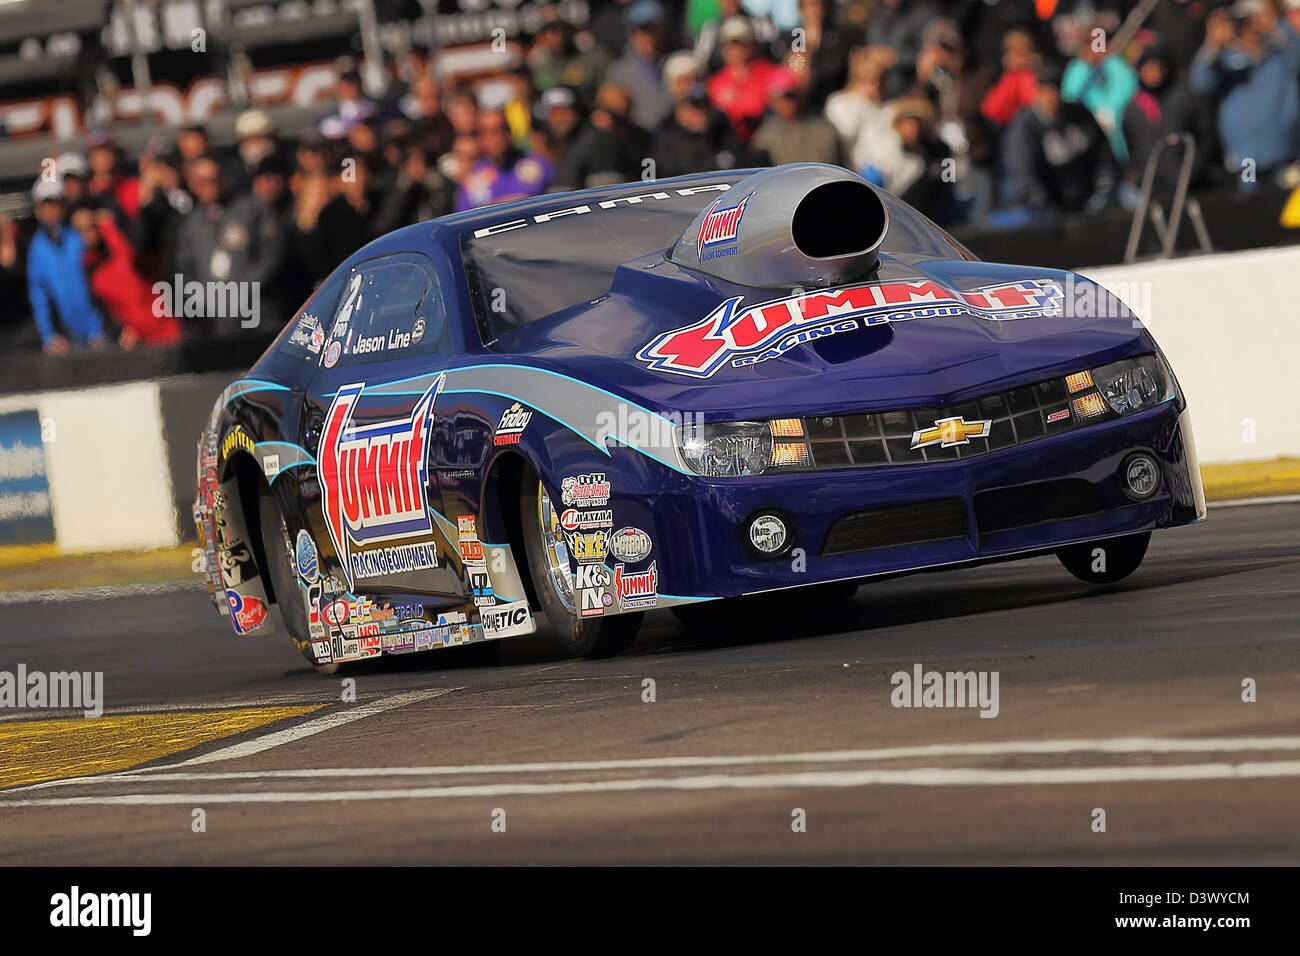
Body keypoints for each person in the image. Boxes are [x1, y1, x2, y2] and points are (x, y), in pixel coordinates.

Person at [174, 155, 287, 337]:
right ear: (193, 185)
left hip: (260, 315)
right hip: (219, 323)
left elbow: (271, 253)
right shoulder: (190, 225)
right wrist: (206, 302)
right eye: (205, 181)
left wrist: (244, 290)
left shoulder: (253, 208)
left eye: (216, 178)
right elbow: (186, 269)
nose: (213, 185)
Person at [1190, 0, 1300, 181]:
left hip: (1285, 153)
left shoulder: (1280, 54)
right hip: (1245, 159)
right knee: (1253, 206)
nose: (1249, 28)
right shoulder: (1225, 60)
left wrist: (1276, 28)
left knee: (1287, 205)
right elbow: (1200, 83)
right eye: (1243, 22)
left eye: (1253, 21)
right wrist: (1212, 45)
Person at [1004, 61, 1116, 221]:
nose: (1052, 96)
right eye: (1046, 90)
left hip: (1088, 202)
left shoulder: (1081, 114)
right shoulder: (1025, 128)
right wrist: (1046, 207)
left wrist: (1104, 191)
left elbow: (1104, 156)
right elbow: (1023, 177)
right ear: (1037, 92)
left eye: (1056, 89)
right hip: (1049, 210)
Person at [72, 207, 181, 349]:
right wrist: (120, 332)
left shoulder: (121, 253)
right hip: (139, 343)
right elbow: (106, 311)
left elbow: (129, 254)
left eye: (91, 227)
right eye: (81, 230)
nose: (88, 234)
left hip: (168, 331)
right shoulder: (91, 272)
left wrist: (107, 226)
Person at [26, 178, 107, 355]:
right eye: (47, 204)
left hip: (100, 332)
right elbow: (39, 296)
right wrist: (50, 336)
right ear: (38, 208)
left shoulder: (79, 235)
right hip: (69, 337)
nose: (52, 209)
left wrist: (102, 327)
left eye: (56, 203)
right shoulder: (37, 248)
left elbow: (102, 280)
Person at [454, 110, 554, 211]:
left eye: (502, 129)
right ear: (480, 137)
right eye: (491, 132)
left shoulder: (539, 166)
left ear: (510, 131)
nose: (498, 138)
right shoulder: (472, 181)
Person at [751, 68, 846, 167]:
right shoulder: (764, 136)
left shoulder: (825, 129)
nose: (786, 102)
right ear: (771, 100)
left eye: (790, 95)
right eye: (779, 97)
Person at [605, 0, 675, 133]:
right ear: (630, 32)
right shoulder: (618, 71)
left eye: (654, 27)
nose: (649, 35)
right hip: (638, 142)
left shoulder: (675, 63)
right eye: (643, 28)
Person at [708, 16, 779, 142]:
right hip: (728, 144)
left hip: (764, 141)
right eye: (730, 43)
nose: (736, 49)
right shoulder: (715, 83)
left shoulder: (771, 74)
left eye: (741, 43)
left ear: (752, 44)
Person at [653, 81, 743, 177]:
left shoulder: (725, 136)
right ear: (680, 113)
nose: (702, 113)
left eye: (706, 106)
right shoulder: (667, 148)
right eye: (696, 107)